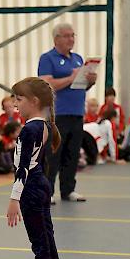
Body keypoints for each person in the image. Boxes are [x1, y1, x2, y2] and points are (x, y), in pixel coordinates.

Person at [6, 77, 62, 259]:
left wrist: (13, 199)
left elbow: (23, 168)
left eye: (19, 99)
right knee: (47, 239)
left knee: (39, 241)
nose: (15, 104)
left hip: (30, 187)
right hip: (40, 185)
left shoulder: (31, 128)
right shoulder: (45, 126)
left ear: (34, 101)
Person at [38, 23, 96, 203]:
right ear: (56, 39)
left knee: (72, 153)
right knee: (53, 154)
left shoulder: (78, 59)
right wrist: (71, 78)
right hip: (57, 115)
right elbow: (46, 84)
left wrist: (90, 81)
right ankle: (47, 191)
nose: (71, 39)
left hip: (77, 112)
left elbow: (81, 85)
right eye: (67, 36)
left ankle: (68, 189)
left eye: (73, 35)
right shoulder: (48, 58)